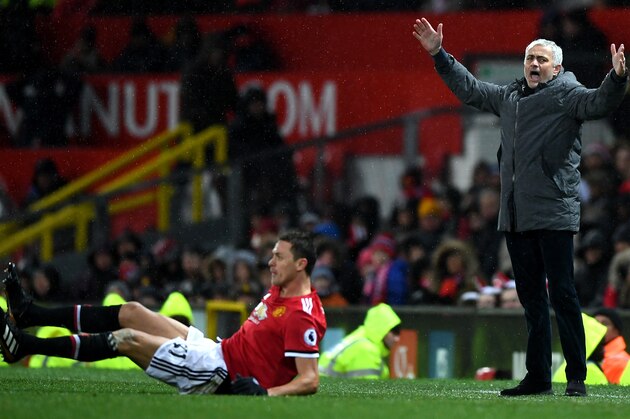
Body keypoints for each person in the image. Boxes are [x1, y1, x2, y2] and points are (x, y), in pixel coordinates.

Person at [412, 17, 628, 397]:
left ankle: (576, 376)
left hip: (554, 212)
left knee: (562, 294)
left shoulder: (568, 94)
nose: (534, 63)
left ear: (557, 68)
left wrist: (617, 79)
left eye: (542, 59)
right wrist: (439, 55)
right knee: (531, 299)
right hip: (515, 214)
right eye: (530, 57)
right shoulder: (510, 97)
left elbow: (599, 102)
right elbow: (471, 90)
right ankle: (539, 377)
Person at [0, 230, 327, 396]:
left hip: (218, 376)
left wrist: (266, 393)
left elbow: (309, 379)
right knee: (131, 311)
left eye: (279, 257)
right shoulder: (281, 290)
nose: (270, 262)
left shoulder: (300, 315)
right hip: (216, 350)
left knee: (126, 339)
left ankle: (25, 345)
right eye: (271, 255)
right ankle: (31, 313)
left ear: (301, 265)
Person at [318, 303, 401, 379]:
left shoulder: (359, 340)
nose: (397, 338)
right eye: (394, 331)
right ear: (382, 330)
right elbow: (367, 392)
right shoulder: (366, 350)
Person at [593, 307, 630, 384]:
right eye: (595, 323)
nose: (598, 327)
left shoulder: (621, 361)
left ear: (617, 330)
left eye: (604, 324)